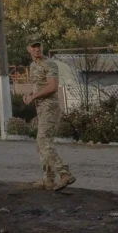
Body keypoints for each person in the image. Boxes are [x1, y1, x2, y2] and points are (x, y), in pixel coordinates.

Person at [22, 41, 74, 191]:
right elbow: (39, 86)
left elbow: (52, 87)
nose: (37, 49)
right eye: (33, 47)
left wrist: (33, 97)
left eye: (38, 46)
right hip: (41, 108)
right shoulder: (33, 66)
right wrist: (29, 94)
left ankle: (64, 174)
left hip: (50, 107)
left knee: (43, 141)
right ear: (28, 49)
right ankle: (48, 179)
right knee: (42, 144)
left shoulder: (49, 64)